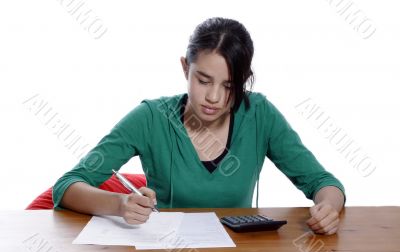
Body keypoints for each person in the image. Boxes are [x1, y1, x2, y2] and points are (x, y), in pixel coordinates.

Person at [54, 17, 345, 235]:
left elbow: (324, 183)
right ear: (185, 68)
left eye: (230, 85)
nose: (214, 97)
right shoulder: (151, 118)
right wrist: (119, 204)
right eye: (203, 80)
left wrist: (329, 207)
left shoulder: (259, 114)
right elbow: (67, 186)